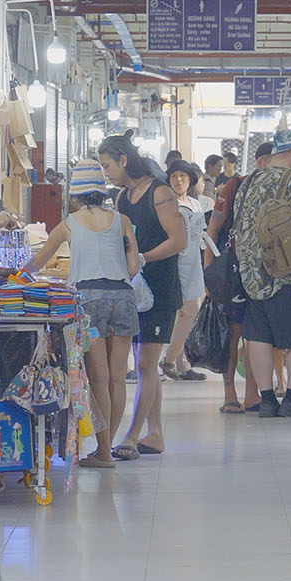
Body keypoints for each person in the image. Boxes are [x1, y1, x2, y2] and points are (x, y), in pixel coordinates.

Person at [24, 161, 140, 468]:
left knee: (99, 380)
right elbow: (133, 267)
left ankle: (103, 451)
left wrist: (18, 275)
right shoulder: (122, 220)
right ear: (101, 192)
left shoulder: (68, 223)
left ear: (75, 195)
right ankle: (107, 449)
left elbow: (39, 261)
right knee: (118, 379)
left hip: (89, 300)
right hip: (124, 298)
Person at [99, 133, 186, 458]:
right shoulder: (123, 198)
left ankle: (132, 436)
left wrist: (144, 258)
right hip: (132, 290)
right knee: (144, 362)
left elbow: (179, 241)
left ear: (123, 160)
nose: (106, 171)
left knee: (148, 363)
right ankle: (155, 433)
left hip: (160, 288)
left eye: (108, 164)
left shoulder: (159, 193)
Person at [231, 128, 291, 419]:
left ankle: (268, 400)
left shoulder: (248, 182)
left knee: (258, 334)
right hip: (288, 271)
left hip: (252, 273)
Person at [209, 141, 273, 413]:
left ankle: (252, 393)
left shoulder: (279, 189)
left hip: (264, 272)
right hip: (233, 272)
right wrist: (209, 274)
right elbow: (213, 229)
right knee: (232, 334)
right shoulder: (234, 187)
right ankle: (229, 392)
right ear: (260, 162)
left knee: (255, 334)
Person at [161, 161, 211, 383]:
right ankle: (170, 359)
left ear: (190, 180)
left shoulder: (195, 203)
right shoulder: (165, 203)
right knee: (186, 311)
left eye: (182, 176)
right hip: (174, 262)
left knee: (188, 312)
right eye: (174, 176)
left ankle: (181, 363)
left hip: (193, 261)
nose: (178, 180)